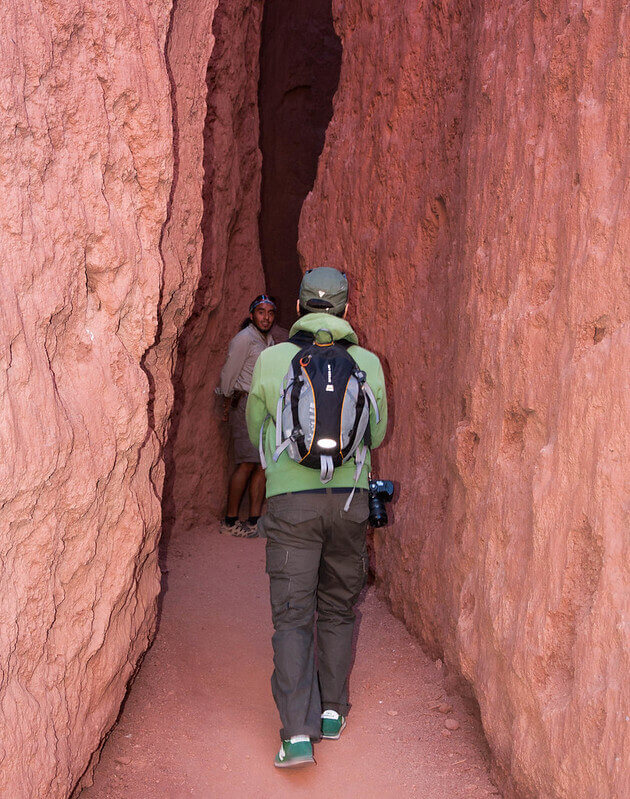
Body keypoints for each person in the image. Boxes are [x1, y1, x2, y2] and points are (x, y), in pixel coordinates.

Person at [246, 268, 388, 767]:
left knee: (292, 615)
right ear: (347, 311)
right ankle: (332, 711)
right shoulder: (366, 362)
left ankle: (298, 736)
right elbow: (377, 429)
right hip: (349, 502)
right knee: (337, 606)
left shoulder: (270, 360)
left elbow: (255, 424)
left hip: (291, 507)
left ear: (301, 307)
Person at [216, 294, 276, 537]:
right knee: (247, 463)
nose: (266, 317)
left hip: (262, 407)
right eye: (261, 312)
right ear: (252, 315)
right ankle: (229, 522)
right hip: (245, 404)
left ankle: (253, 520)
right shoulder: (244, 339)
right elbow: (230, 371)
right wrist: (226, 398)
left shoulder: (267, 341)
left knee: (262, 464)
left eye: (270, 313)